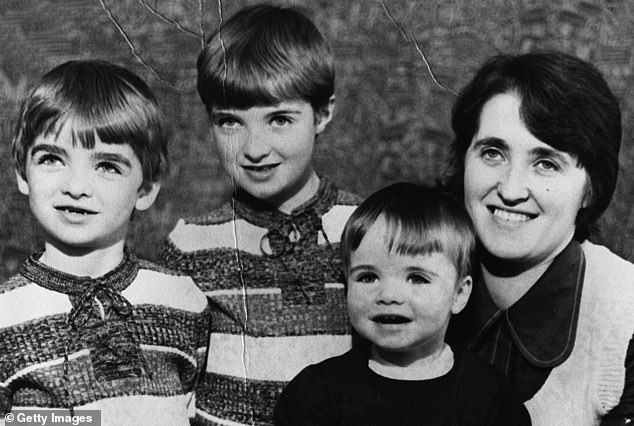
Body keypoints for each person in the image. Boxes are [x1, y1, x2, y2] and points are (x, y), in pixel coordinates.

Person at [158, 4, 360, 425]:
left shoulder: (366, 227)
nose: (254, 148)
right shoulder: (191, 244)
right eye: (230, 122)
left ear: (323, 114)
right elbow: (168, 387)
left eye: (280, 119)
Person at [0, 60, 209, 426]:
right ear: (22, 173)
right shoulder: (6, 314)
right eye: (52, 158)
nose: (77, 187)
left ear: (145, 189)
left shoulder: (181, 298)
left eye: (107, 166)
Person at [445, 51, 634, 425]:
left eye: (545, 163)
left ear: (591, 189)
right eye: (493, 153)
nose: (512, 189)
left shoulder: (625, 312)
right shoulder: (408, 278)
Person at [274, 183, 531, 425]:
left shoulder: (490, 397)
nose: (388, 295)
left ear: (459, 294)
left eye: (416, 278)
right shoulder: (318, 393)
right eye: (368, 277)